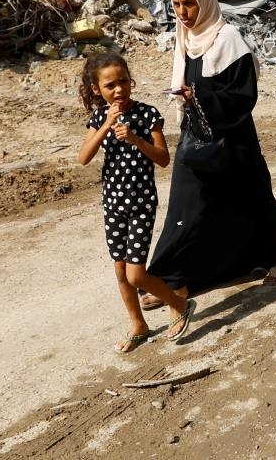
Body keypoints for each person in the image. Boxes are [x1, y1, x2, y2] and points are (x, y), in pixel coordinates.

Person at [140, 0, 276, 309]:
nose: (182, 11)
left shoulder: (228, 39)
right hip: (196, 135)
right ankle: (172, 280)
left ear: (205, 2)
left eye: (189, 3)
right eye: (177, 4)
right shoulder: (186, 38)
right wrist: (189, 100)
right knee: (187, 206)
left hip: (234, 139)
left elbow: (243, 95)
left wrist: (197, 96)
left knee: (253, 198)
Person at [77, 51, 198, 352]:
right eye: (109, 86)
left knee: (136, 273)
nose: (118, 90)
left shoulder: (147, 115)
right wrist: (106, 125)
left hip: (141, 202)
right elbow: (83, 158)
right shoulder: (98, 118)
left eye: (123, 82)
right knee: (120, 271)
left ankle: (178, 303)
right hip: (113, 204)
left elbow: (163, 159)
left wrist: (134, 139)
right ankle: (138, 324)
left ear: (131, 81)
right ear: (97, 90)